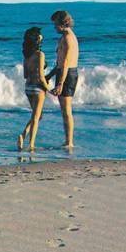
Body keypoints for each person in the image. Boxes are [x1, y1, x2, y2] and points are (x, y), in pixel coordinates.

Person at [46, 10, 79, 149]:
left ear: (62, 23)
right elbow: (59, 63)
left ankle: (69, 142)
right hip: (63, 72)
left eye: (55, 24)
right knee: (64, 110)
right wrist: (50, 75)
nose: (54, 27)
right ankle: (67, 140)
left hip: (67, 74)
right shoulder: (65, 36)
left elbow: (65, 63)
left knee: (66, 111)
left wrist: (60, 84)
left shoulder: (67, 38)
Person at [18, 27, 50, 152]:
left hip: (28, 87)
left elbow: (25, 75)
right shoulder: (40, 55)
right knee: (36, 117)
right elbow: (41, 77)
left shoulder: (26, 56)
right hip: (38, 88)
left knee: (37, 115)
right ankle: (31, 144)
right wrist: (49, 89)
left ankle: (23, 135)